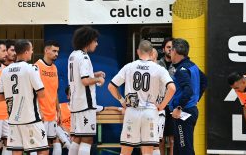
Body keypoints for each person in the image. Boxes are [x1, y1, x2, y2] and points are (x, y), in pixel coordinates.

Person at [108, 40, 176, 155]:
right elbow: (172, 88)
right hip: (150, 112)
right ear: (151, 52)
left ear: (138, 51)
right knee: (148, 151)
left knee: (126, 151)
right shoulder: (159, 68)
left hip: (132, 111)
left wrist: (122, 101)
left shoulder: (129, 67)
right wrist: (162, 106)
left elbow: (111, 86)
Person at [0, 39, 49, 155]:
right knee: (43, 149)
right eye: (31, 50)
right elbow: (42, 94)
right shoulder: (31, 68)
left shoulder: (5, 71)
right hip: (31, 118)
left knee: (16, 151)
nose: (32, 52)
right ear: (26, 51)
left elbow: (0, 97)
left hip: (13, 119)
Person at [68, 26, 105, 155]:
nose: (96, 43)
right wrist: (98, 80)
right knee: (87, 138)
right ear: (88, 41)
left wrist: (94, 74)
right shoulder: (84, 57)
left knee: (77, 138)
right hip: (85, 104)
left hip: (75, 103)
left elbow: (80, 77)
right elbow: (84, 81)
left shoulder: (73, 55)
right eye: (95, 40)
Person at [169, 38, 207, 155]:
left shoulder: (181, 70)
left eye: (171, 50)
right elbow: (204, 81)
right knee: (179, 148)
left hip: (183, 112)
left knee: (185, 148)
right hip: (189, 110)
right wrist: (195, 100)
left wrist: (179, 107)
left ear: (175, 51)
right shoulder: (192, 66)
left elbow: (188, 90)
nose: (170, 53)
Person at [35, 40, 62, 155]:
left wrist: (58, 110)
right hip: (40, 114)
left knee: (48, 144)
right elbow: (33, 92)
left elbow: (54, 91)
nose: (56, 54)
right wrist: (38, 110)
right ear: (46, 50)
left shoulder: (54, 68)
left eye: (57, 51)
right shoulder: (37, 66)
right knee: (38, 146)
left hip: (52, 114)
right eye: (54, 51)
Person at [156, 38, 175, 155]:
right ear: (163, 49)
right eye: (168, 47)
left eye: (172, 47)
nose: (170, 49)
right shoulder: (156, 64)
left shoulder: (179, 64)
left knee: (173, 139)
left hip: (173, 105)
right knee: (160, 139)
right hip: (160, 105)